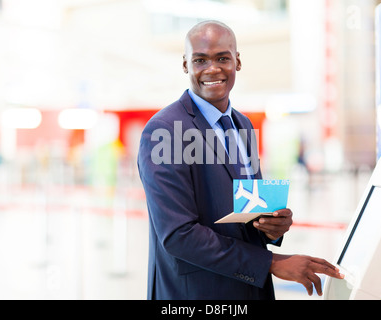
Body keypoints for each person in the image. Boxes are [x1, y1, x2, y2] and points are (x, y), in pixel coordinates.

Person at [137, 20, 343, 300]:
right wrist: (272, 262)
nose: (213, 69)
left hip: (249, 289)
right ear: (186, 65)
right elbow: (178, 234)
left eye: (223, 58)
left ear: (238, 61)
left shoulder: (242, 124)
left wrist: (272, 226)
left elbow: (247, 205)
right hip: (196, 294)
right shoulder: (165, 131)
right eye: (200, 60)